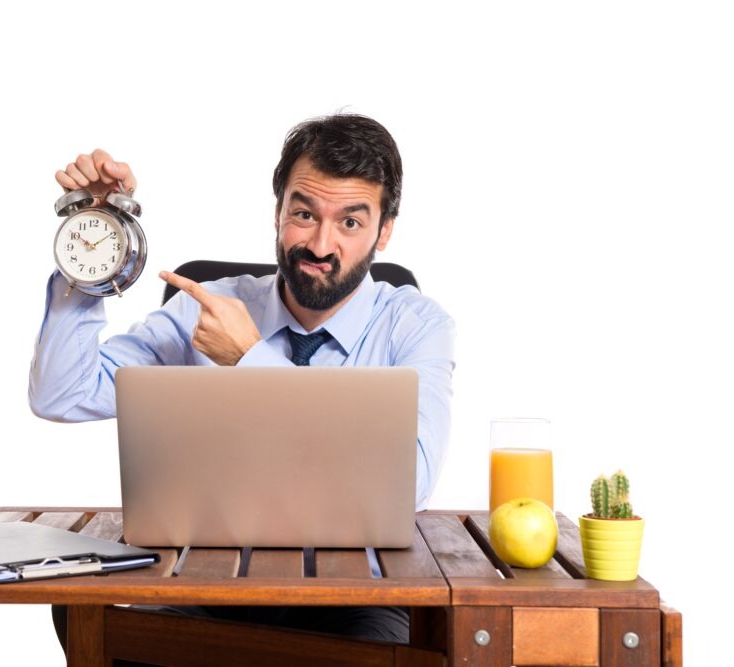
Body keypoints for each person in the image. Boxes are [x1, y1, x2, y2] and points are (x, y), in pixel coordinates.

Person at [29, 114, 455, 651]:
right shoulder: (204, 308)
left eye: (350, 222)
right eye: (304, 213)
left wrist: (250, 359)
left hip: (358, 601)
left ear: (384, 230)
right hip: (202, 587)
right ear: (277, 213)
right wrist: (93, 246)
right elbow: (61, 394)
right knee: (88, 620)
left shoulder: (417, 327)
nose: (321, 245)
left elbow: (407, 484)